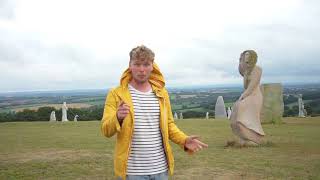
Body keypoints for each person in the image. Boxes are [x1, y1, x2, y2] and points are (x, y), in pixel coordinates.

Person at [101, 45, 208, 180]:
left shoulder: (161, 93)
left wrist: (184, 140)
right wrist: (117, 117)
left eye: (146, 64)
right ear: (130, 65)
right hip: (131, 173)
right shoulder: (116, 94)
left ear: (152, 66)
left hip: (160, 170)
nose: (141, 69)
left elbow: (168, 125)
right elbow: (106, 130)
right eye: (137, 64)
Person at [230, 50, 265, 146]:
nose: (246, 56)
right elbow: (245, 85)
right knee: (235, 114)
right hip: (247, 95)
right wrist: (241, 62)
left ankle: (255, 138)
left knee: (239, 109)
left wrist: (242, 96)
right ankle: (244, 137)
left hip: (254, 96)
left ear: (252, 57)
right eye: (245, 55)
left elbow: (251, 87)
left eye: (248, 55)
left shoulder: (257, 69)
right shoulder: (246, 72)